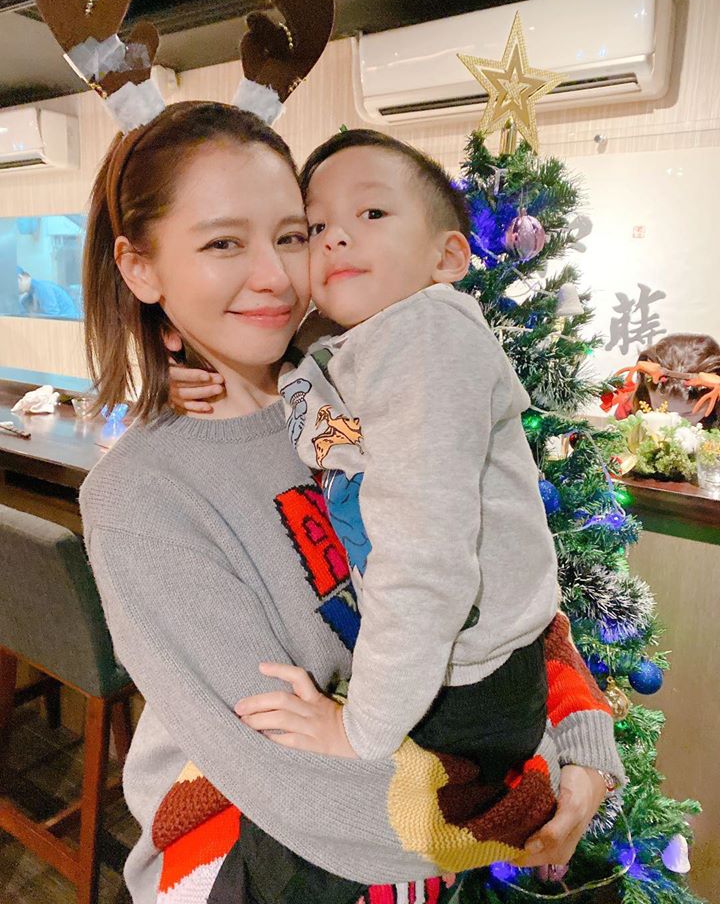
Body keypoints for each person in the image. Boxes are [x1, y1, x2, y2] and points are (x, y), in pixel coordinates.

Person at [85, 102, 625, 903]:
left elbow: (497, 589)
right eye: (223, 243)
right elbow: (294, 776)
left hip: (419, 843)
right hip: (258, 858)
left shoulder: (353, 390)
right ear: (141, 269)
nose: (275, 276)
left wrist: (585, 745)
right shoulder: (143, 498)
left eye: (291, 235)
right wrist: (530, 794)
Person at [230, 129, 560, 809]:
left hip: (465, 683)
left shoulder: (426, 337)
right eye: (314, 228)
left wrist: (361, 731)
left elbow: (423, 553)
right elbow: (315, 408)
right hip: (435, 666)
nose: (335, 238)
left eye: (372, 212)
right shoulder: (352, 344)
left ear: (448, 257)